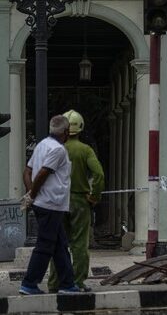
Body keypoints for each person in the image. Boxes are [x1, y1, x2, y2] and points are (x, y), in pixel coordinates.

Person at [19, 115, 80, 295]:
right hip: (51, 203)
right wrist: (33, 194)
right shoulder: (58, 150)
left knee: (60, 244)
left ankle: (67, 283)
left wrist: (31, 194)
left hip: (45, 204)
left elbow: (27, 171)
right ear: (66, 132)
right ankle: (29, 283)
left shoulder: (42, 145)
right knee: (45, 245)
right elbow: (43, 173)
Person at [47, 110, 105, 293]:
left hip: (57, 201)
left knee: (58, 244)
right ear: (80, 128)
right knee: (79, 243)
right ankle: (78, 282)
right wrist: (95, 196)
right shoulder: (85, 150)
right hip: (80, 201)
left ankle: (54, 283)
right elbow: (99, 174)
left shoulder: (55, 149)